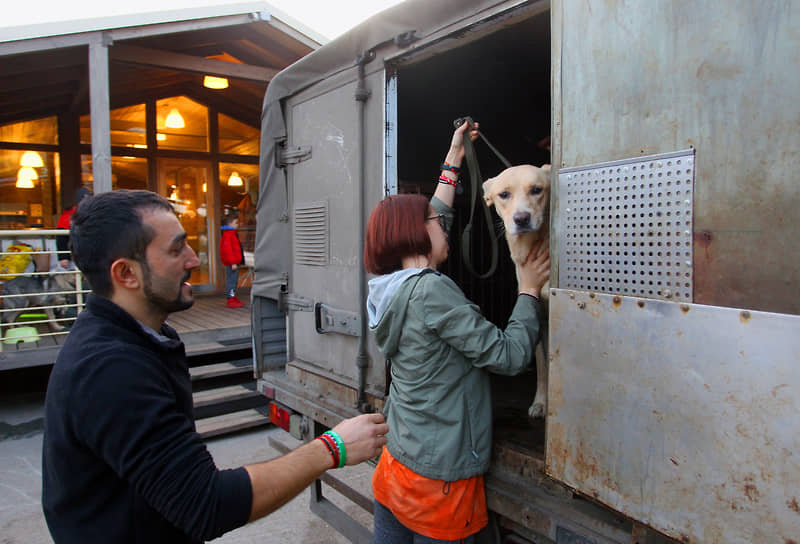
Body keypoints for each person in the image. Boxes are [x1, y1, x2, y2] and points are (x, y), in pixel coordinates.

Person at [42, 190, 388, 544]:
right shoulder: (110, 370)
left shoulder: (141, 338)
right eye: (176, 249)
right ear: (126, 273)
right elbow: (206, 505)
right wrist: (331, 448)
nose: (193, 259)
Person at [364, 122, 550, 543]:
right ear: (415, 234)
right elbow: (508, 357)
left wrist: (454, 159)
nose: (444, 226)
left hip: (396, 467)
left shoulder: (392, 285)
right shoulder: (432, 292)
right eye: (435, 223)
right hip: (438, 485)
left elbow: (436, 210)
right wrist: (528, 291)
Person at [55, 186, 92, 268]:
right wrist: (63, 257)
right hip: (73, 259)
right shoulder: (67, 216)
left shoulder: (94, 214)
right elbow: (61, 238)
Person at [220, 214, 245, 308]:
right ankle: (231, 299)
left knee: (233, 280)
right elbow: (228, 250)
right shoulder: (228, 234)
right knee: (232, 281)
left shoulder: (231, 234)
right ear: (230, 223)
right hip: (232, 263)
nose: (237, 224)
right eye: (236, 223)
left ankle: (233, 297)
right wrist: (233, 262)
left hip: (234, 262)